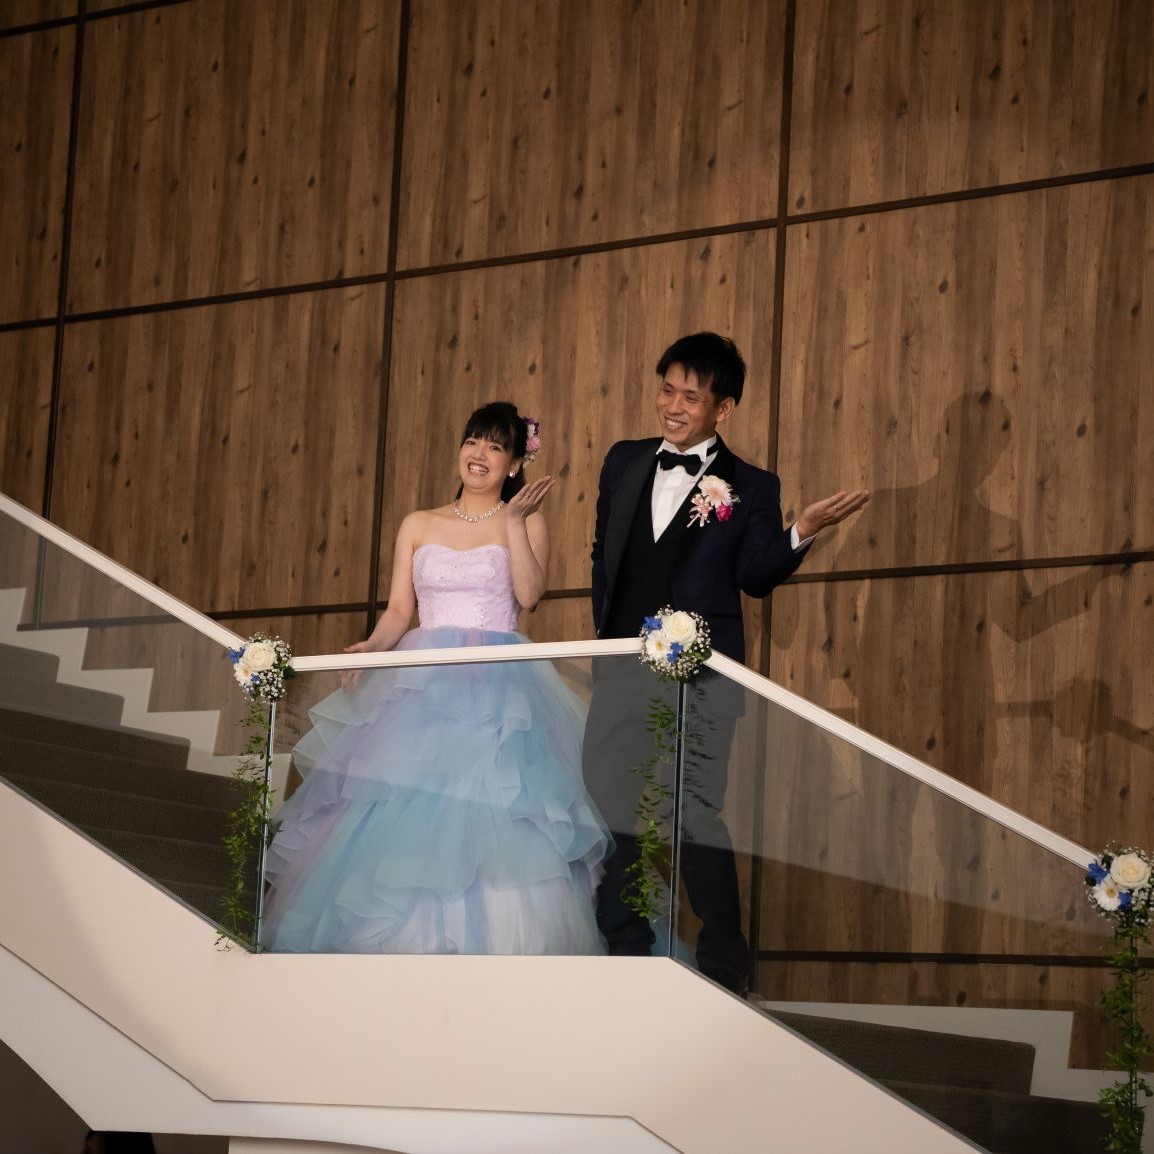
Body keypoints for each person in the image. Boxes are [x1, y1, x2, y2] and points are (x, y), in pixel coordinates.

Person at [262, 402, 609, 955]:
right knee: (400, 806)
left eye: (496, 446)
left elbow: (529, 596)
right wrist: (372, 649)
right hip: (420, 682)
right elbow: (401, 610)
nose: (480, 454)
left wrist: (515, 523)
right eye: (473, 441)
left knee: (492, 807)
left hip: (498, 683)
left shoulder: (526, 520)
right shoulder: (418, 523)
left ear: (515, 464)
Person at [584, 332, 868, 992]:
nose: (673, 406)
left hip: (704, 680)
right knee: (613, 806)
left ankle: (723, 968)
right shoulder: (623, 461)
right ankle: (625, 953)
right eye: (667, 391)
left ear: (724, 408)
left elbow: (754, 576)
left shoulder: (752, 485)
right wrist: (607, 637)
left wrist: (802, 530)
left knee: (692, 813)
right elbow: (604, 554)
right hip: (621, 668)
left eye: (691, 396)